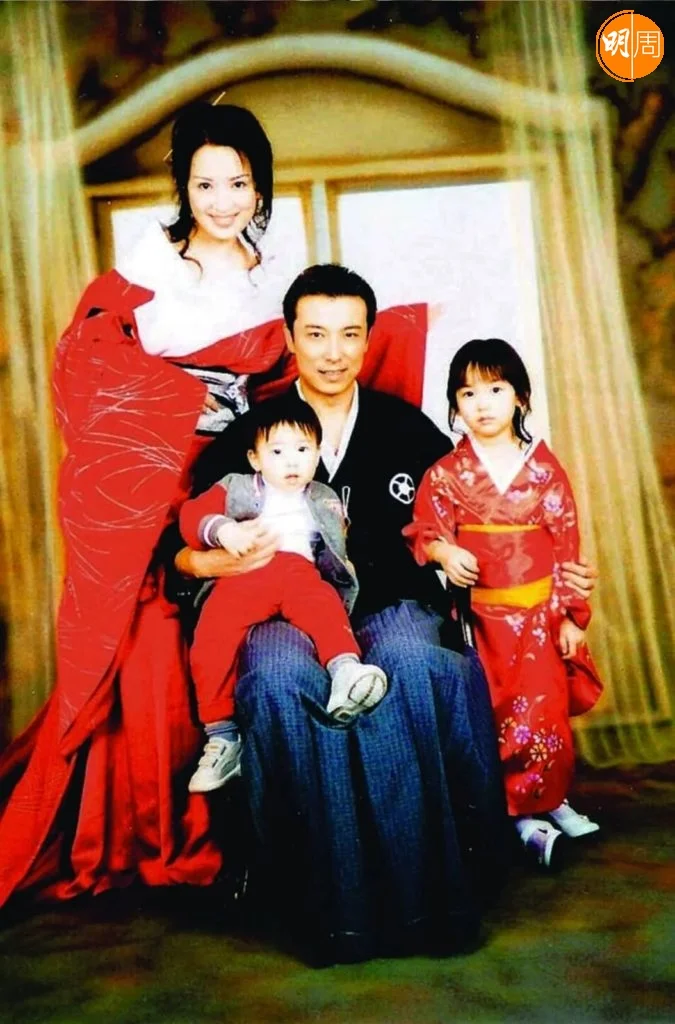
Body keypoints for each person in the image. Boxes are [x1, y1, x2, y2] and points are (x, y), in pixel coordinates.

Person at [0, 104, 428, 909]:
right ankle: (156, 839)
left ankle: (254, 844)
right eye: (205, 185)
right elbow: (87, 370)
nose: (222, 201)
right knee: (154, 645)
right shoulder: (148, 264)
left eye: (238, 183)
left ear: (259, 185)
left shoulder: (274, 267)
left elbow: (297, 371)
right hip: (157, 476)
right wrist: (169, 405)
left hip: (246, 469)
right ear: (182, 186)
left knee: (264, 628)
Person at [180, 265, 598, 961]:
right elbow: (182, 546)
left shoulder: (407, 430)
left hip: (387, 601)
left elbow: (483, 525)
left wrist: (559, 573)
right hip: (277, 607)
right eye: (316, 334)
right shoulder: (250, 434)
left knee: (412, 662)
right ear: (290, 338)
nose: (332, 352)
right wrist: (209, 563)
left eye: (349, 334)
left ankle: (427, 907)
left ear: (369, 339)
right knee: (280, 679)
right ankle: (328, 914)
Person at [405, 339, 603, 870]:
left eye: (495, 389)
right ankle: (516, 813)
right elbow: (426, 530)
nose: (482, 403)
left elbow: (566, 544)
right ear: (455, 404)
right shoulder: (446, 473)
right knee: (493, 713)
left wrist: (571, 616)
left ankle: (551, 798)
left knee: (545, 711)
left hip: (539, 616)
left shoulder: (544, 469)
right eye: (468, 393)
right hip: (481, 619)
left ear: (520, 396)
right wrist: (446, 552)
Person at [179, 395, 387, 793]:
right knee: (212, 640)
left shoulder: (323, 496)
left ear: (318, 453)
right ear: (255, 458)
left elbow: (335, 548)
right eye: (277, 452)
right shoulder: (236, 487)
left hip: (298, 574)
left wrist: (342, 562)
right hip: (244, 577)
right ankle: (222, 735)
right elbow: (191, 517)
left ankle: (345, 671)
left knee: (326, 609)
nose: (292, 462)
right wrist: (224, 531)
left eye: (303, 450)